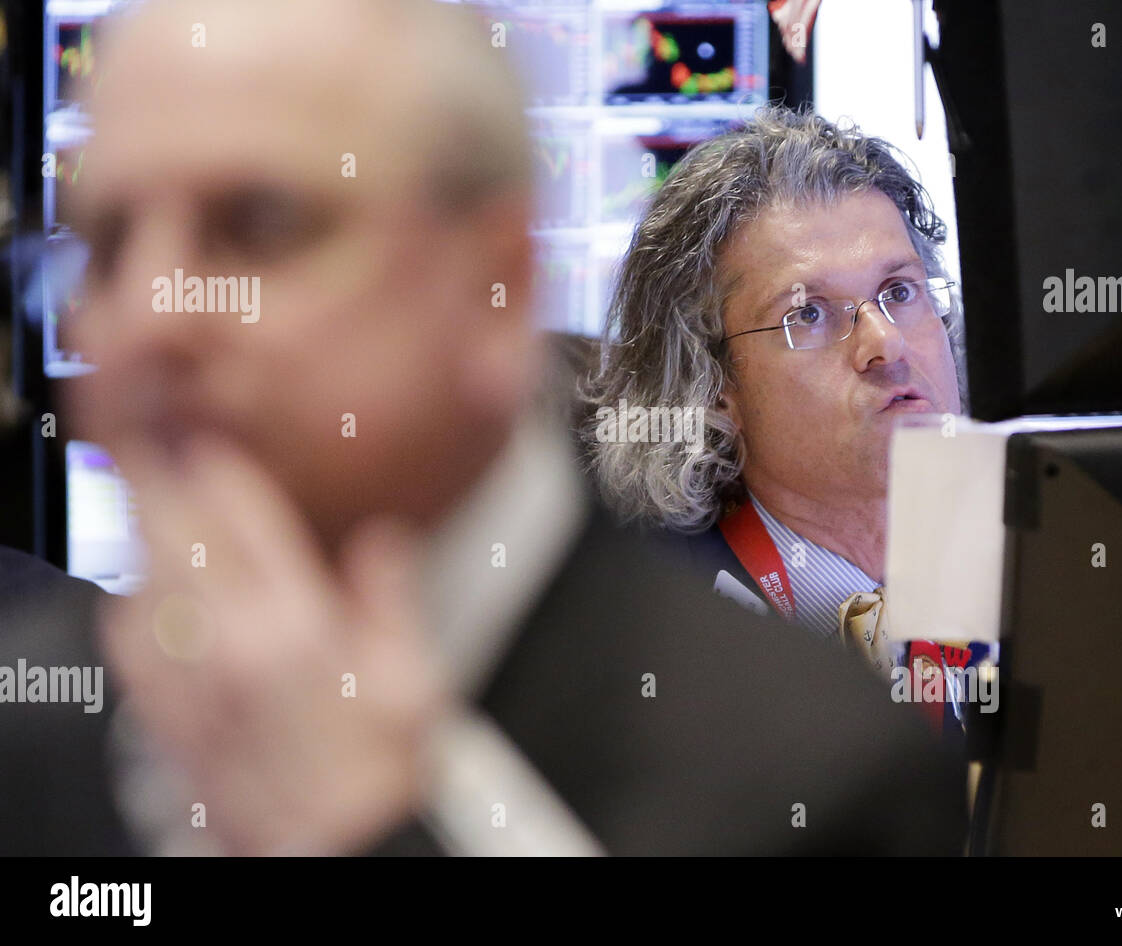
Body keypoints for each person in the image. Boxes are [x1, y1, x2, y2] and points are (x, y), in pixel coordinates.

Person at [0, 0, 965, 856]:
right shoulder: (27, 713)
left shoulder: (813, 761)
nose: (153, 314)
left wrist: (372, 837)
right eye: (104, 245)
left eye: (256, 225)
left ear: (495, 286)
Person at [584, 107, 991, 707]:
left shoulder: (1050, 553)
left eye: (899, 292)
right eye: (808, 314)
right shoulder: (648, 646)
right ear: (712, 382)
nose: (886, 344)